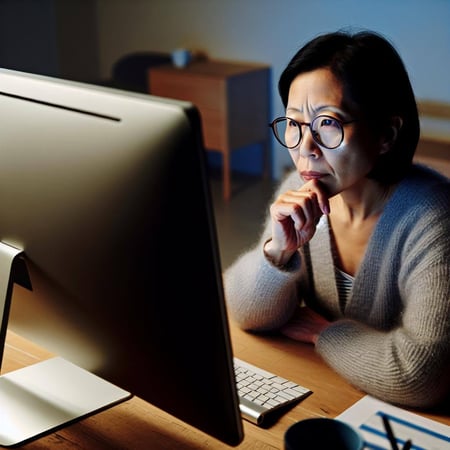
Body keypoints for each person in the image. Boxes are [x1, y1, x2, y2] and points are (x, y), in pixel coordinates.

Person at [224, 29, 450, 409]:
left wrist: (325, 335)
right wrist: (278, 253)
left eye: (328, 123)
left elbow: (421, 376)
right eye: (294, 124)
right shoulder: (301, 188)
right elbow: (246, 313)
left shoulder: (433, 219)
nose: (305, 148)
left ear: (386, 135)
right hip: (329, 395)